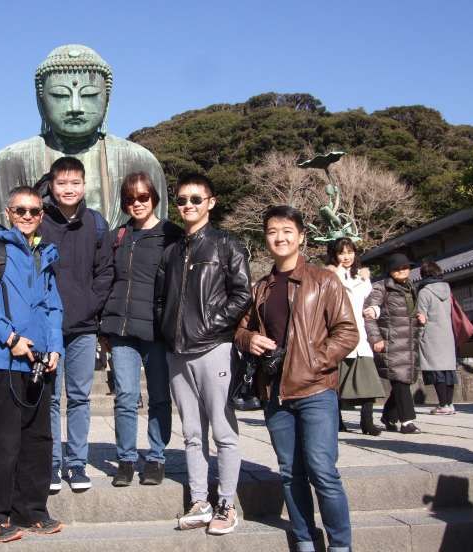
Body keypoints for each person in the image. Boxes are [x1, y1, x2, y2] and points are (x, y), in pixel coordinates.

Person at [235, 205, 358, 552]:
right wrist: (250, 339)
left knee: (322, 470)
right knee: (290, 472)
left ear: (302, 236)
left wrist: (315, 360)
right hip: (275, 393)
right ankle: (305, 539)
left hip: (317, 388)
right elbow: (241, 330)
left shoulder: (324, 280)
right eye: (273, 231)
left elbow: (347, 331)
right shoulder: (261, 287)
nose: (280, 237)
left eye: (288, 230)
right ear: (266, 238)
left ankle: (340, 545)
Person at [0, 185, 64, 543]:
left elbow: (54, 307)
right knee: (0, 442)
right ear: (8, 212)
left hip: (40, 362)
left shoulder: (45, 254)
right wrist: (10, 338)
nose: (27, 216)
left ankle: (31, 510)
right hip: (3, 359)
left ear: (41, 215)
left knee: (38, 440)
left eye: (34, 211)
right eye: (20, 210)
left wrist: (55, 348)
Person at [155, 173, 252, 535]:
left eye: (196, 199)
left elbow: (242, 294)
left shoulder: (228, 244)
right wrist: (168, 331)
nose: (188, 206)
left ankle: (227, 503)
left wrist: (212, 326)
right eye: (182, 200)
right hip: (178, 351)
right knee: (192, 434)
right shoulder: (172, 251)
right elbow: (161, 300)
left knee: (223, 431)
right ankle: (200, 499)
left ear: (211, 202)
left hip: (215, 347)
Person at [0, 43, 167, 230]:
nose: (75, 107)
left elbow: (155, 236)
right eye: (60, 95)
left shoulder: (140, 162)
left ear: (107, 99)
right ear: (41, 99)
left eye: (89, 94)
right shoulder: (7, 164)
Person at [100, 172, 181, 487]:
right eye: (130, 199)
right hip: (121, 328)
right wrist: (102, 327)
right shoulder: (118, 236)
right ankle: (126, 459)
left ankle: (157, 457)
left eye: (143, 197)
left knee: (160, 396)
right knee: (125, 396)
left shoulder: (170, 234)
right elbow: (106, 280)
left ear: (154, 198)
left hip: (158, 331)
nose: (136, 203)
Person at [38, 156, 112, 492]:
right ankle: (51, 464)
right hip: (46, 328)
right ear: (52, 185)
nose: (69, 189)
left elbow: (105, 272)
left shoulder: (96, 223)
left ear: (85, 185)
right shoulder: (38, 221)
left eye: (75, 183)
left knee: (80, 397)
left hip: (83, 327)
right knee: (50, 398)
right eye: (62, 183)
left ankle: (77, 464)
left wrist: (88, 306)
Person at [326, 238, 384, 436]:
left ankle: (367, 422)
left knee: (368, 381)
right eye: (342, 253)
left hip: (361, 336)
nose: (346, 256)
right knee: (337, 384)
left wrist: (375, 310)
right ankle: (337, 421)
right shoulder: (329, 276)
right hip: (338, 336)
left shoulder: (363, 276)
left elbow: (372, 300)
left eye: (350, 252)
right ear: (334, 255)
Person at [364, 253, 421, 434]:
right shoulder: (381, 288)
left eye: (405, 267)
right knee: (400, 381)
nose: (402, 271)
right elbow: (369, 315)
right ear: (389, 271)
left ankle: (389, 415)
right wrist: (376, 339)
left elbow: (410, 313)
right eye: (397, 269)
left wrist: (420, 318)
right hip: (391, 341)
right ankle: (407, 422)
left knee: (404, 380)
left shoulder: (410, 287)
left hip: (409, 341)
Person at [416, 261, 458, 415]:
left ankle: (442, 404)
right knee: (448, 370)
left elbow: (422, 318)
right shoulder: (447, 289)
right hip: (447, 334)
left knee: (436, 370)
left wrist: (418, 338)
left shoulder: (424, 292)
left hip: (431, 335)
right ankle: (450, 404)